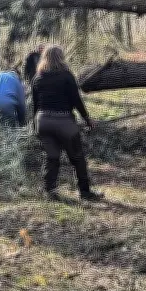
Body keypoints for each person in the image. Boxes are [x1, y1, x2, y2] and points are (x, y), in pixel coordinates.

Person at [31, 45, 104, 202]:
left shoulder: (37, 78)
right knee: (77, 157)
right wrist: (87, 119)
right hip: (63, 121)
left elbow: (35, 105)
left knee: (52, 157)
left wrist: (34, 125)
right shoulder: (66, 76)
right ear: (61, 58)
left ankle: (49, 190)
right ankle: (85, 192)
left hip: (43, 121)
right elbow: (76, 100)